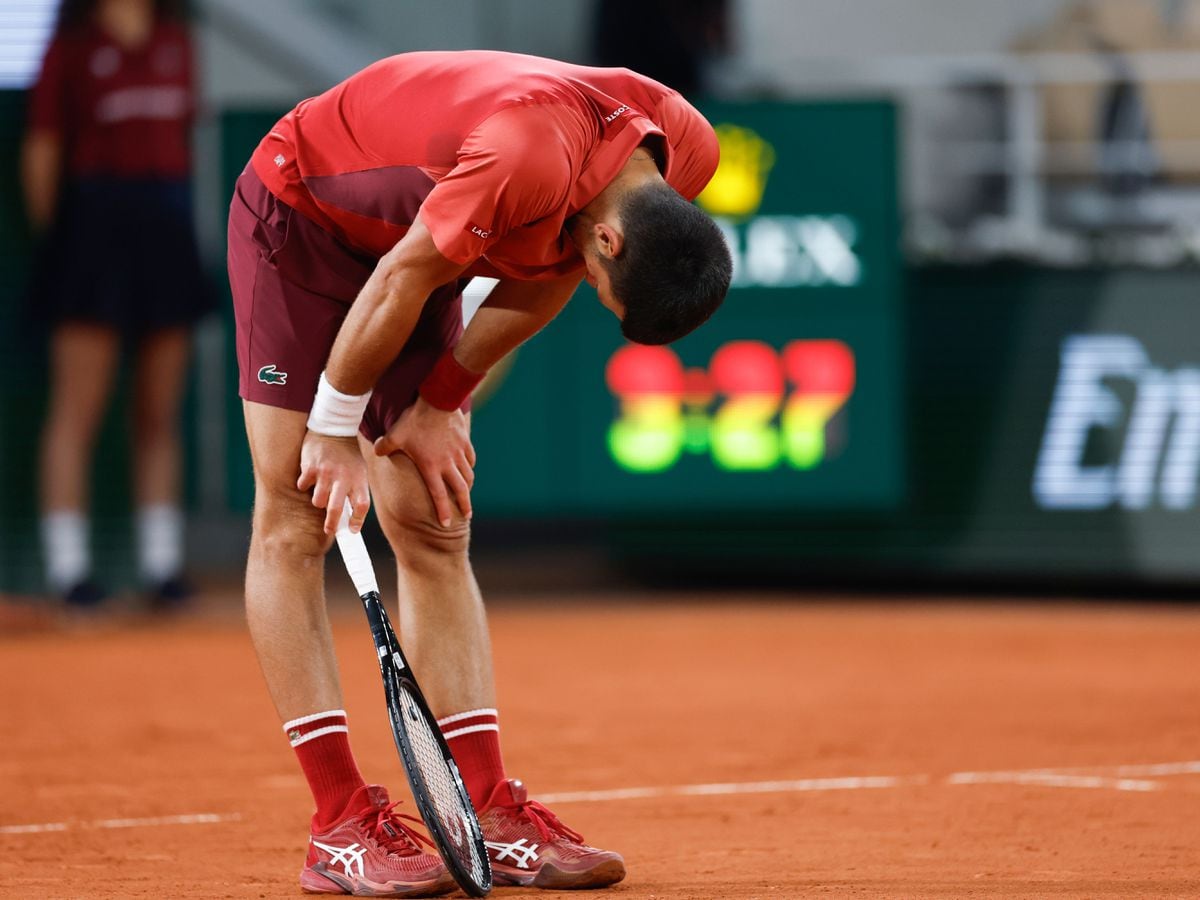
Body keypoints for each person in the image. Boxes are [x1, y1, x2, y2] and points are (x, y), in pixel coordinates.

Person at [226, 50, 731, 896]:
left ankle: (489, 813)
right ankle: (340, 826)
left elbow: (554, 276)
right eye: (617, 296)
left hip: (423, 241)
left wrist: (439, 400)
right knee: (293, 512)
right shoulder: (527, 157)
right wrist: (334, 427)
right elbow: (400, 281)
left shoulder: (681, 155)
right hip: (306, 219)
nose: (597, 292)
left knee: (433, 516)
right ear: (616, 237)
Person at [22, 0, 211, 608]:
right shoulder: (70, 47)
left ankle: (162, 567)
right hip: (92, 228)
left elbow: (185, 137)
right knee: (78, 409)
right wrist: (66, 244)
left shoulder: (177, 41)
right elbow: (43, 149)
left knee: (159, 410)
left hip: (165, 224)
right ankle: (69, 571)